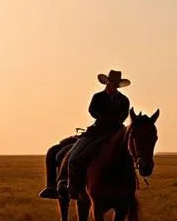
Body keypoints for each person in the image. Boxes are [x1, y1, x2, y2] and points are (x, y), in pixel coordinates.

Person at [39, 70, 131, 199]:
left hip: (116, 131)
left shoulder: (123, 100)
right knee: (76, 153)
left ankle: (129, 185)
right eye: (111, 83)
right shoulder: (98, 97)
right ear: (107, 82)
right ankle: (65, 183)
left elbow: (123, 115)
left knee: (130, 153)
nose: (113, 86)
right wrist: (104, 118)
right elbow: (92, 111)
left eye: (115, 84)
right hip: (97, 130)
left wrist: (112, 120)